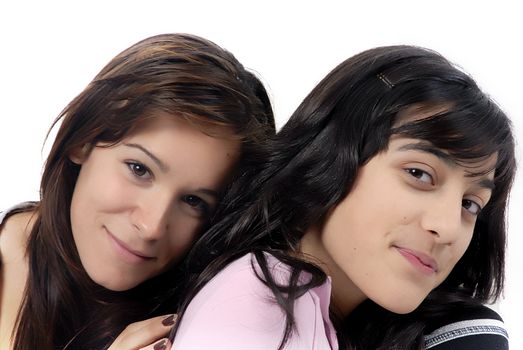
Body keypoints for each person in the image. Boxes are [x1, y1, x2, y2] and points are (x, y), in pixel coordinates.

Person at [169, 45, 515, 349]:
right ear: (331, 159)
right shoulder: (254, 304)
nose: (448, 228)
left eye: (470, 204)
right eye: (419, 174)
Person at [0, 33, 274, 350]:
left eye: (193, 201)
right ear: (82, 141)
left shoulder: (207, 322)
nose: (152, 226)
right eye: (139, 169)